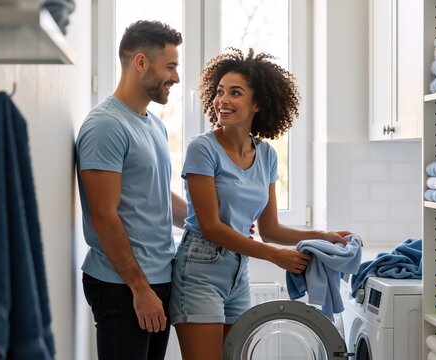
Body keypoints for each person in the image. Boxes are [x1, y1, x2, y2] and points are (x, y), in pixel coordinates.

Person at [169, 48, 355, 360]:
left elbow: (270, 228)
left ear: (257, 104)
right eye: (219, 92)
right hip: (199, 268)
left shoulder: (266, 155)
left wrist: (323, 236)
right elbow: (212, 227)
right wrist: (273, 256)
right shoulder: (202, 150)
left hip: (237, 273)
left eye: (235, 93)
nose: (222, 101)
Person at [75, 20, 187, 360]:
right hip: (121, 286)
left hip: (157, 278)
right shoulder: (106, 126)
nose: (176, 78)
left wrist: (212, 221)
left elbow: (155, 195)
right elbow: (103, 215)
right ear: (141, 62)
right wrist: (139, 288)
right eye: (170, 66)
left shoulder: (152, 124)